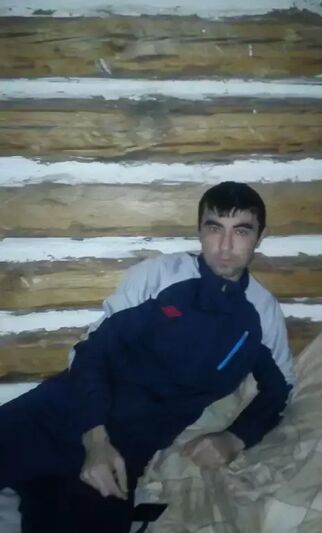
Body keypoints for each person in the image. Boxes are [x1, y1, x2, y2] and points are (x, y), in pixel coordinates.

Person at [0, 181, 295, 533]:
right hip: (62, 412)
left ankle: (39, 490)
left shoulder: (261, 312)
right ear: (200, 231)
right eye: (215, 228)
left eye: (241, 231)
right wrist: (95, 438)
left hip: (127, 448)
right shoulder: (160, 276)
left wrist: (235, 437)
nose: (226, 245)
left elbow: (280, 389)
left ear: (260, 236)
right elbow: (92, 351)